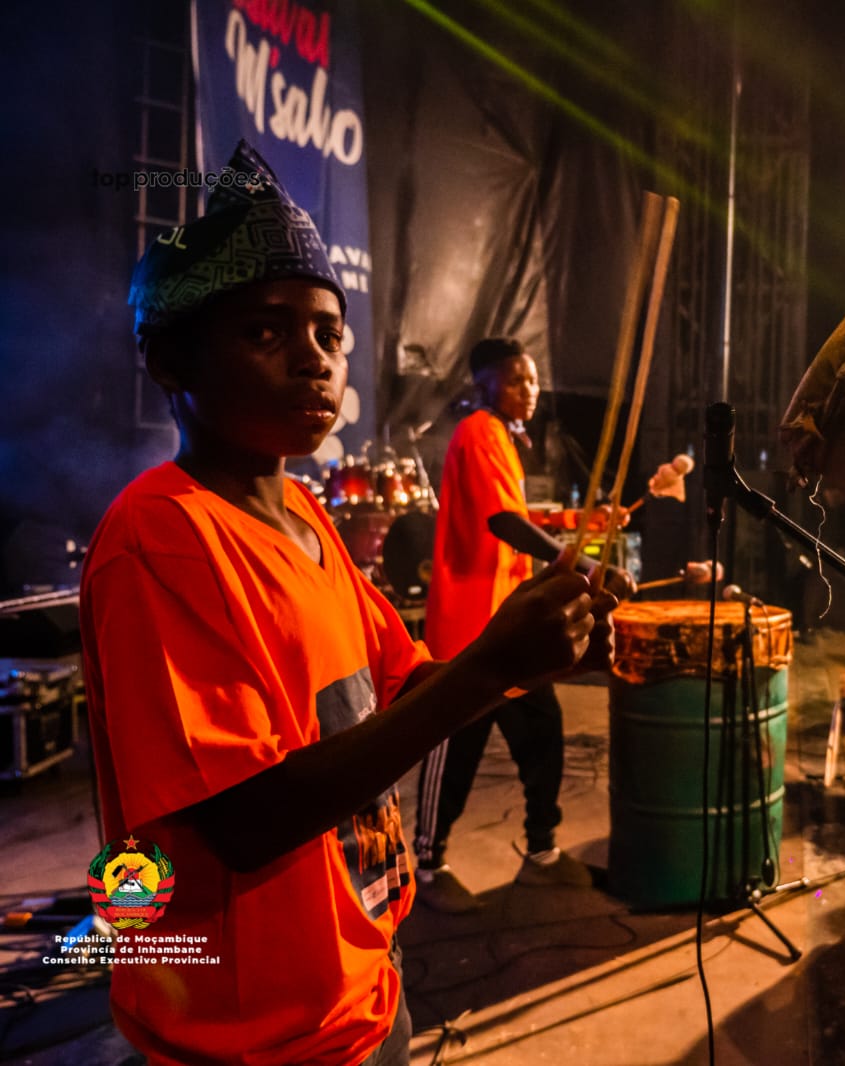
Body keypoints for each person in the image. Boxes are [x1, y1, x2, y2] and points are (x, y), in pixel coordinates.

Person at [84, 141, 611, 1065]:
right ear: (170, 359)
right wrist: (491, 664)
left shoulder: (301, 516)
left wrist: (563, 646)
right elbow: (245, 821)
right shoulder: (162, 539)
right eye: (265, 332)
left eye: (330, 335)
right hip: (254, 1035)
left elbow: (405, 691)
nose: (314, 360)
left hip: (360, 985)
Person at [411, 337, 621, 912]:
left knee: (542, 736)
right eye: (516, 380)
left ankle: (543, 854)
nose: (529, 390)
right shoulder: (478, 431)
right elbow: (504, 521)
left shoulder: (501, 436)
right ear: (484, 386)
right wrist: (585, 562)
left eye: (532, 380)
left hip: (510, 624)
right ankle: (428, 866)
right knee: (453, 747)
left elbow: (519, 515)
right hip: (471, 629)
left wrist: (589, 523)